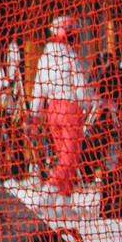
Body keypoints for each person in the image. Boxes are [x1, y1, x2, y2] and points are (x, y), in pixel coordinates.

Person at [35, 14, 96, 197]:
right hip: (70, 109)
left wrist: (34, 114)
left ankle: (64, 202)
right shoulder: (71, 57)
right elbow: (80, 86)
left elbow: (38, 88)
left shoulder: (44, 57)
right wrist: (88, 106)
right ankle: (50, 189)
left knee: (64, 157)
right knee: (70, 158)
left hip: (51, 110)